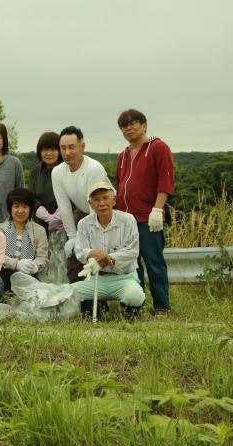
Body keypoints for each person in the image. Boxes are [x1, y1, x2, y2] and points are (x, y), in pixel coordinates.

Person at [116, 109, 175, 318]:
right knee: (132, 265)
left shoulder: (157, 147)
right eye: (124, 126)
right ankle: (136, 305)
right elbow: (120, 185)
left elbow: (165, 182)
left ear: (144, 125)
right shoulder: (122, 156)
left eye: (133, 123)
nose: (129, 128)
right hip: (126, 219)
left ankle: (161, 307)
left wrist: (157, 209)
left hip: (148, 217)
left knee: (154, 263)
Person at [71, 182, 145, 320]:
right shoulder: (84, 223)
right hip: (96, 279)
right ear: (90, 204)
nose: (102, 203)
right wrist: (93, 253)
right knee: (70, 293)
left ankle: (130, 311)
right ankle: (97, 306)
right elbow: (80, 251)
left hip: (124, 277)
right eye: (96, 200)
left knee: (135, 296)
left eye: (105, 198)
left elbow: (133, 251)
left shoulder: (128, 220)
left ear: (114, 200)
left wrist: (107, 257)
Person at [52, 126, 110, 283]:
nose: (67, 153)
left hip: (105, 214)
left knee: (98, 255)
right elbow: (64, 206)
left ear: (82, 147)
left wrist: (91, 241)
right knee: (74, 256)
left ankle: (104, 298)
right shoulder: (57, 172)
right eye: (63, 148)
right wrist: (72, 236)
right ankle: (81, 299)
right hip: (83, 212)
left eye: (72, 147)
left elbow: (96, 206)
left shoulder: (94, 169)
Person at [0, 188, 49, 291]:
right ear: (10, 208)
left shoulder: (39, 230)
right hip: (4, 275)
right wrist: (16, 264)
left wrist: (35, 266)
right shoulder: (0, 229)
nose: (20, 210)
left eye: (25, 207)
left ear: (30, 209)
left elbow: (42, 257)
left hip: (29, 277)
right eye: (16, 206)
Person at [29, 131, 63, 232]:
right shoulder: (35, 171)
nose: (48, 153)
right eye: (44, 150)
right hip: (39, 225)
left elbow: (72, 197)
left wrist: (57, 217)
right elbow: (31, 197)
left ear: (59, 151)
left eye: (52, 149)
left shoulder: (66, 169)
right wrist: (45, 215)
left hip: (63, 223)